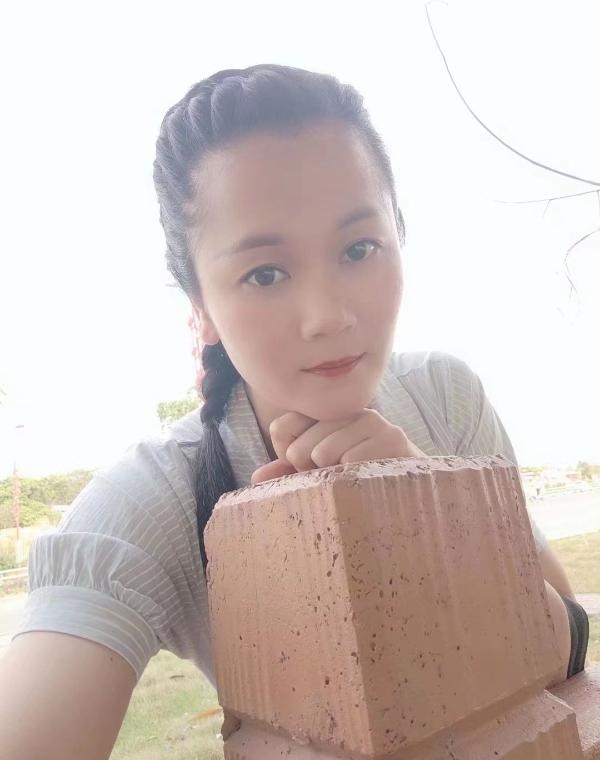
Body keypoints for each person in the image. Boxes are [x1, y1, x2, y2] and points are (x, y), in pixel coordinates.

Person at [0, 64, 587, 760]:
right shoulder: (155, 498)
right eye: (265, 273)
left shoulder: (443, 397)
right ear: (201, 308)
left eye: (359, 249)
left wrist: (432, 507)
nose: (328, 316)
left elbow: (568, 645)